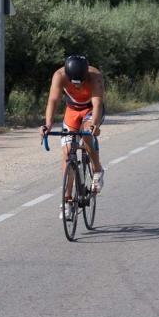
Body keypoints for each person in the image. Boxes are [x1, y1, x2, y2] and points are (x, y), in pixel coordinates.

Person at [40, 55, 105, 216]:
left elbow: (97, 104)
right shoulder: (59, 76)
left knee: (87, 132)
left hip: (91, 110)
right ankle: (67, 199)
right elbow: (53, 101)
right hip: (72, 111)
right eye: (73, 84)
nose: (77, 86)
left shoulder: (95, 76)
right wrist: (48, 124)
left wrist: (94, 124)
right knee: (67, 154)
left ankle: (97, 170)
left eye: (81, 82)